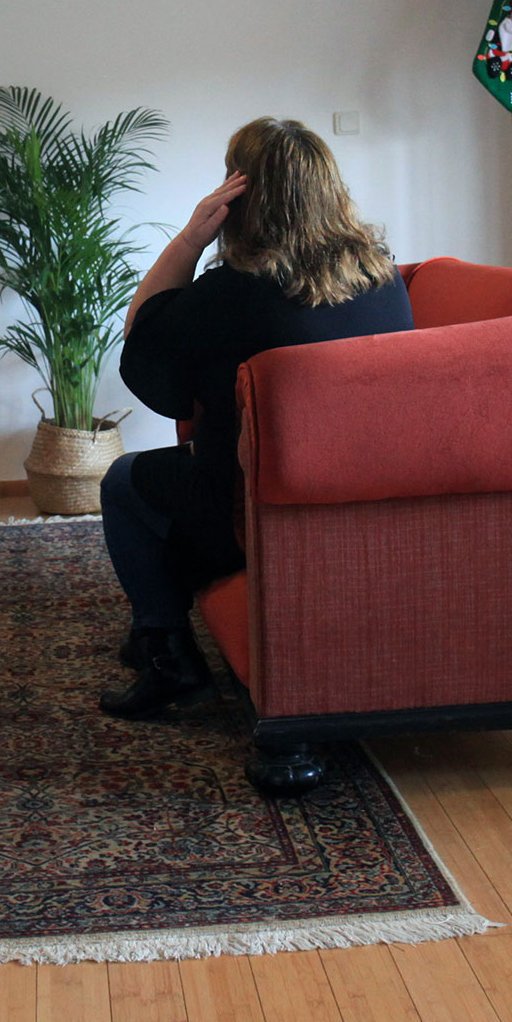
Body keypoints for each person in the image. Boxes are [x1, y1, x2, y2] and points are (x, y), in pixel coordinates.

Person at [99, 118, 413, 718]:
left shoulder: (233, 292)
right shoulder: (382, 278)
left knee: (123, 481)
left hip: (256, 509)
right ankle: (154, 642)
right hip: (371, 497)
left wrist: (190, 238)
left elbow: (142, 348)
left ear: (239, 194)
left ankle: (167, 657)